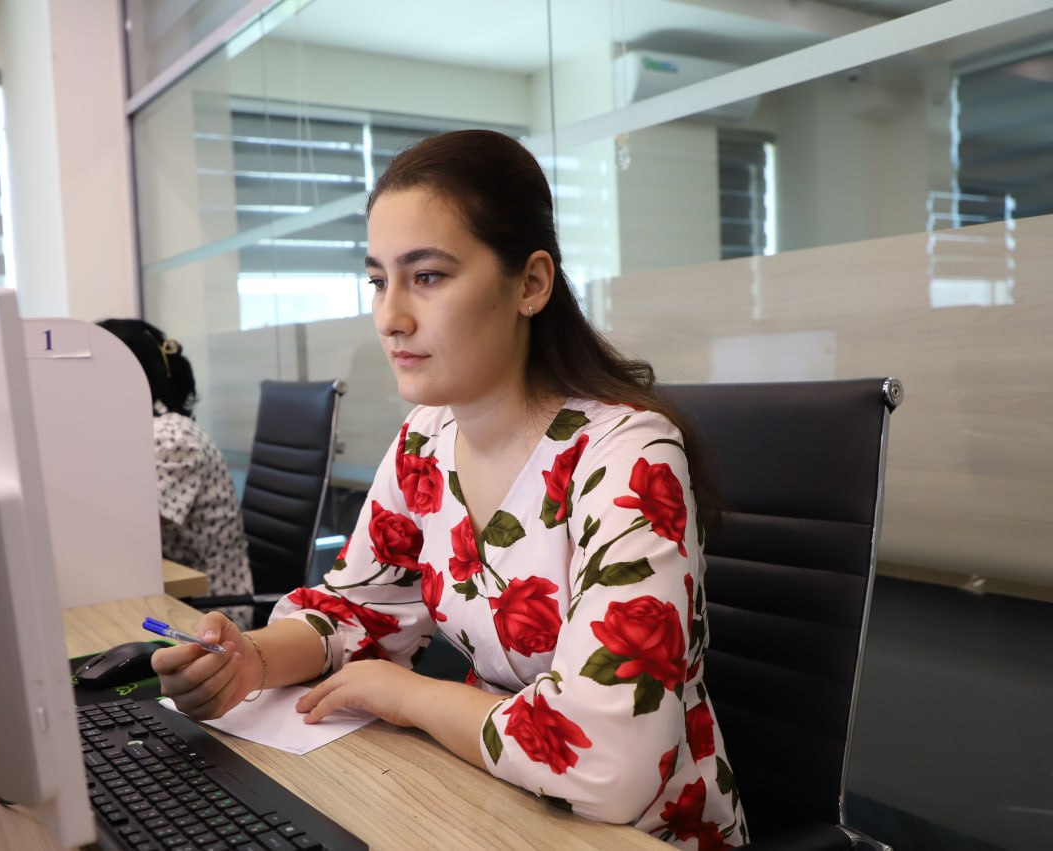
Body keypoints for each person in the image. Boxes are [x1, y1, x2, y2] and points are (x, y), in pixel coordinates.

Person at [151, 130, 748, 848]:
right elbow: (358, 607)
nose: (390, 317)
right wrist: (250, 660)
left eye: (428, 276)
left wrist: (409, 694)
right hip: (490, 802)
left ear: (530, 284)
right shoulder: (427, 438)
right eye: (379, 281)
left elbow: (604, 762)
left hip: (641, 833)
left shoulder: (627, 454)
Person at [97, 318, 255, 630]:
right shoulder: (132, 429)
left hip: (208, 612)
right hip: (162, 593)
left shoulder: (172, 436)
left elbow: (127, 533)